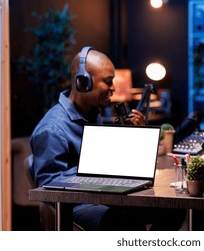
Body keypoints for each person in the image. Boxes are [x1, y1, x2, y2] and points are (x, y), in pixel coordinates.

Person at [30, 47, 186, 231]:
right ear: (82, 82)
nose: (113, 88)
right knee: (124, 220)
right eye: (108, 81)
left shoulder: (92, 115)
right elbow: (46, 186)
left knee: (175, 207)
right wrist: (95, 171)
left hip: (105, 197)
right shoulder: (52, 129)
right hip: (78, 206)